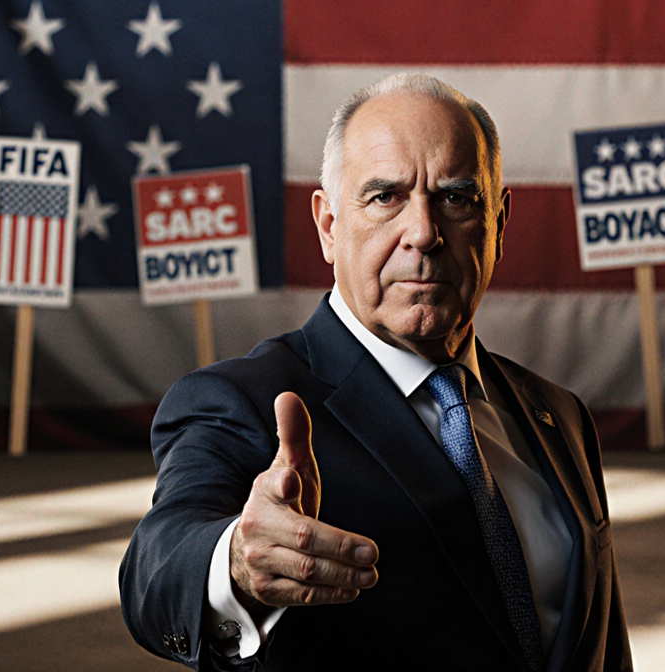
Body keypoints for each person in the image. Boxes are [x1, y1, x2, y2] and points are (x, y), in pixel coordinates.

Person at [120, 73, 633, 672]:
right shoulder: (242, 402)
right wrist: (233, 561)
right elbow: (157, 566)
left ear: (498, 221)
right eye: (386, 197)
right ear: (328, 226)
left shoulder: (559, 415)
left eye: (456, 198)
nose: (424, 232)